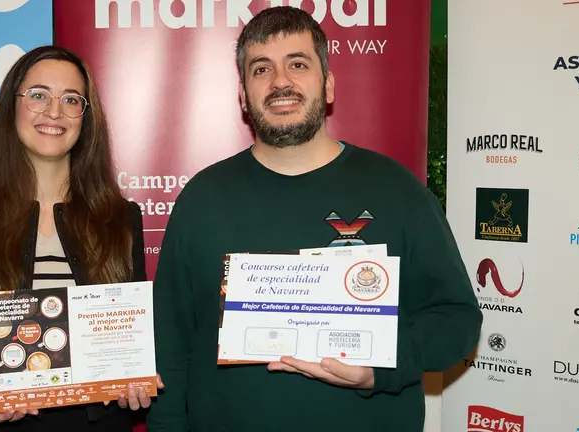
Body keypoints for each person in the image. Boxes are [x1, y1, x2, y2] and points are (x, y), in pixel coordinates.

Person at [147, 6, 482, 432]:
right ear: (243, 94)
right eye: (261, 69)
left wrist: (383, 365)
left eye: (298, 64)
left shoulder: (397, 190)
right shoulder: (201, 199)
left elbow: (457, 318)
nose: (280, 82)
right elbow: (170, 353)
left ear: (327, 85)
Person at [0, 45, 157, 431]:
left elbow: (128, 333)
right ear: (11, 107)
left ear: (85, 118)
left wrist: (134, 372)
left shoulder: (121, 218)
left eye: (71, 99)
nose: (54, 111)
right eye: (38, 95)